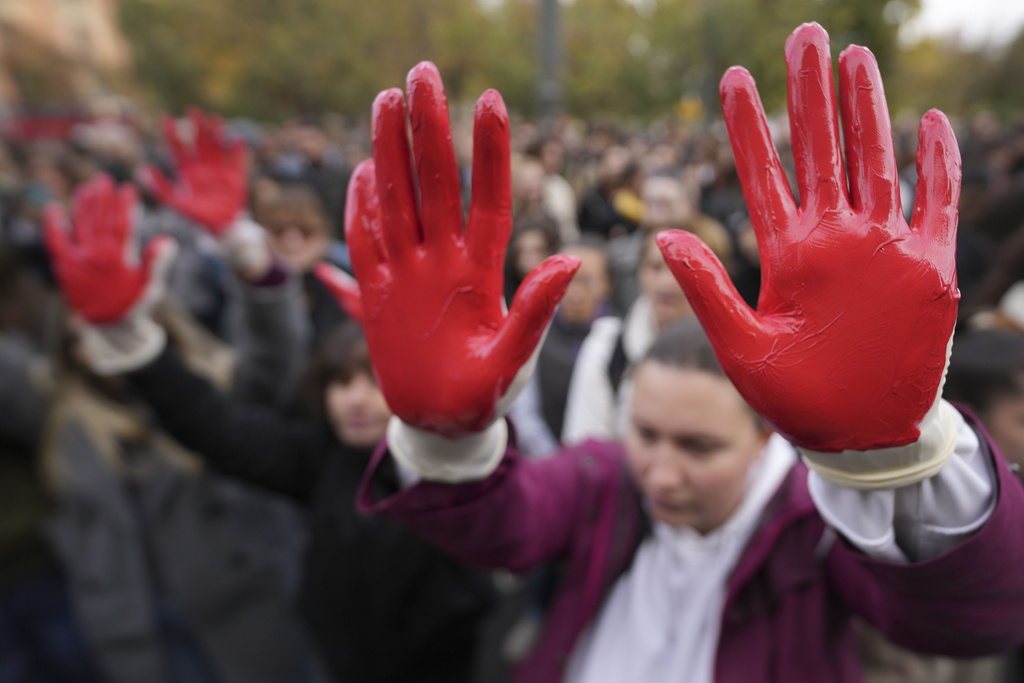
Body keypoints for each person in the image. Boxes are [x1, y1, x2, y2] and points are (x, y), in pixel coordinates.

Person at [328, 25, 1024, 683]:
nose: (661, 471)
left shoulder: (813, 529)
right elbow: (508, 524)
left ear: (762, 440)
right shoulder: (607, 484)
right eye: (647, 433)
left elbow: (979, 614)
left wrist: (888, 460)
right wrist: (443, 442)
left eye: (698, 446)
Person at [43, 176, 496, 683]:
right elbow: (218, 426)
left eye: (372, 383)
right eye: (339, 383)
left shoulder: (452, 475)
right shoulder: (322, 459)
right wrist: (139, 351)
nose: (355, 399)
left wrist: (457, 432)